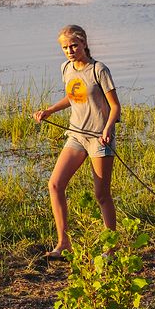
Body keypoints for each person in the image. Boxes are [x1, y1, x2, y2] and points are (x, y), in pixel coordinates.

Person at [33, 25, 121, 258]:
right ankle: (63, 244)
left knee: (101, 194)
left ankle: (110, 249)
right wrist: (50, 110)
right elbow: (74, 96)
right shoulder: (66, 68)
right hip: (76, 135)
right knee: (55, 184)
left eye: (73, 45)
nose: (70, 51)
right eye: (65, 47)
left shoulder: (98, 70)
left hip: (99, 138)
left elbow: (115, 107)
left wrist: (108, 128)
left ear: (83, 43)